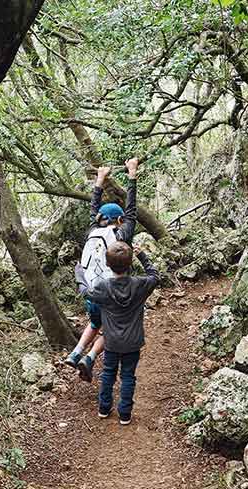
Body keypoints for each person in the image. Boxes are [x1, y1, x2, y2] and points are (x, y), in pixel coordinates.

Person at [63, 158, 139, 382]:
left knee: (96, 322)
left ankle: (76, 352)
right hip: (112, 293)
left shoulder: (92, 231)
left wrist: (100, 180)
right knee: (113, 328)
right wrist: (132, 173)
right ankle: (90, 357)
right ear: (119, 219)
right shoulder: (120, 235)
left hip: (89, 292)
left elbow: (93, 209)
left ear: (99, 219)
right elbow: (132, 209)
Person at [75, 241, 159, 425]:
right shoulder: (140, 284)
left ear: (107, 264)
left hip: (111, 342)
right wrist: (142, 256)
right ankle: (125, 414)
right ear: (129, 265)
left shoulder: (104, 287)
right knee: (128, 376)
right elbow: (154, 276)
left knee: (108, 373)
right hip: (133, 342)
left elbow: (85, 292)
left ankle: (104, 408)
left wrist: (79, 273)